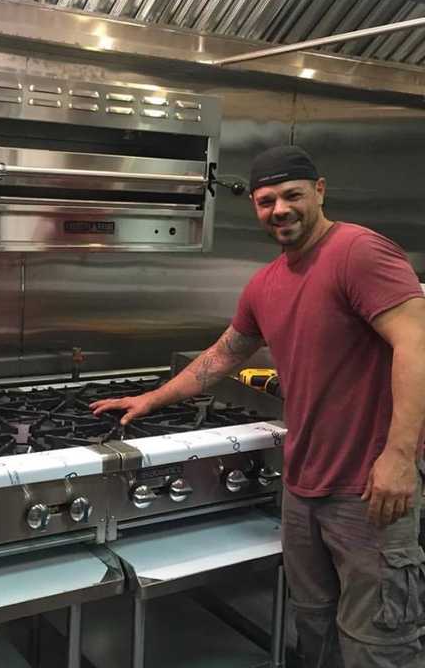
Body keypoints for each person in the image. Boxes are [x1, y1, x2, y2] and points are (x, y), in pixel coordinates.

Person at [90, 145, 425, 668]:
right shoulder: (266, 283)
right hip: (303, 483)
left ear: (319, 191)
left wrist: (400, 456)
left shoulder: (359, 252)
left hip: (367, 487)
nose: (279, 210)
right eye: (266, 201)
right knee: (313, 627)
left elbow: (416, 344)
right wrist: (151, 398)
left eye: (292, 195)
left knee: (379, 643)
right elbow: (225, 354)